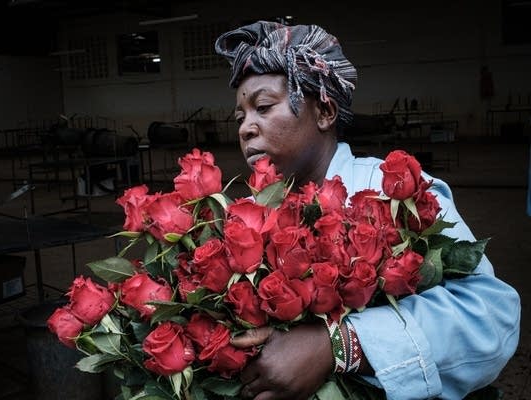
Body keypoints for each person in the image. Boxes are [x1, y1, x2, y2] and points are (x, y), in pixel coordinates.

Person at [214, 21, 520, 400]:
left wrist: (338, 347)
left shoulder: (390, 190)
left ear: (324, 111)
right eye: (240, 116)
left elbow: (490, 317)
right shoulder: (253, 217)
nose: (246, 128)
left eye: (262, 107)